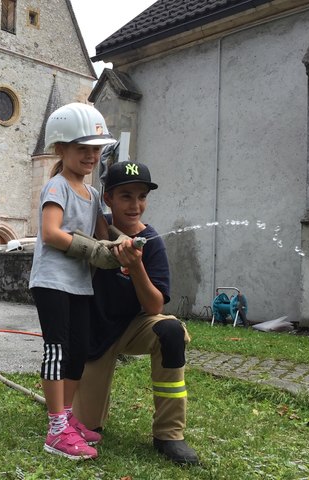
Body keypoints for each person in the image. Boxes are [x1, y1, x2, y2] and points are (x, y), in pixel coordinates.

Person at [72, 161, 200, 465]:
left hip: (134, 327)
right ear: (108, 199)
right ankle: (64, 398)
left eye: (141, 196)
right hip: (95, 333)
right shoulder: (94, 226)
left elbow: (155, 306)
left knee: (171, 330)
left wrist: (135, 265)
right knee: (86, 426)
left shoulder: (152, 242)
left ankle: (169, 435)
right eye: (126, 196)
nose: (135, 204)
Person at [28, 102, 119, 460]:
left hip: (80, 283)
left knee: (79, 352)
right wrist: (92, 249)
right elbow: (51, 233)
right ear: (60, 149)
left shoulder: (93, 194)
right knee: (57, 349)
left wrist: (120, 245)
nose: (91, 156)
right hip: (51, 281)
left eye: (96, 150)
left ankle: (67, 418)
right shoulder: (57, 186)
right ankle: (55, 431)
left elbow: (102, 235)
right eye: (83, 149)